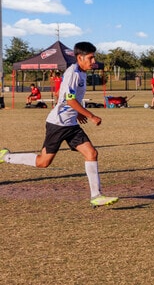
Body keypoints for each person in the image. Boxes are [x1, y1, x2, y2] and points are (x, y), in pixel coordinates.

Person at [0, 42, 119, 207]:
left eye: (94, 57)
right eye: (91, 57)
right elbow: (70, 99)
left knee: (91, 153)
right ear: (80, 58)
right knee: (43, 162)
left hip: (70, 125)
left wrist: (76, 113)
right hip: (58, 124)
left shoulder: (82, 73)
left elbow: (62, 95)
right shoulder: (73, 74)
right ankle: (6, 156)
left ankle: (96, 196)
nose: (94, 61)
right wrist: (91, 115)